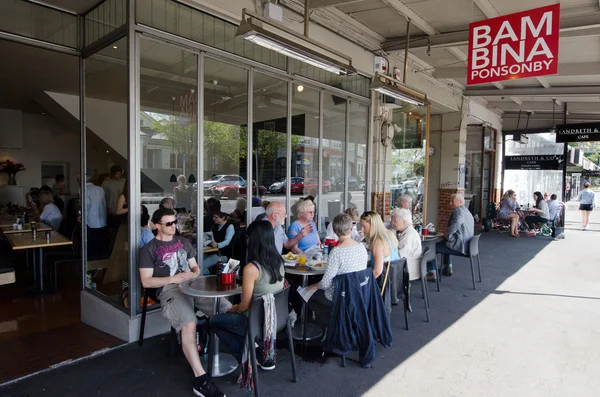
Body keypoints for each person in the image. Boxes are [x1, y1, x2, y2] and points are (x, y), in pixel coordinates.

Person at [139, 207, 227, 397]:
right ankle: (200, 379)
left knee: (227, 308)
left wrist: (192, 274)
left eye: (175, 222)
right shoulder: (149, 249)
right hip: (170, 289)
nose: (174, 226)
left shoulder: (184, 242)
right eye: (169, 223)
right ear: (157, 226)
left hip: (192, 285)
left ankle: (252, 352)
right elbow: (146, 281)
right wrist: (173, 279)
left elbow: (195, 267)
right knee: (189, 324)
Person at [209, 221, 285, 369]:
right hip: (276, 320)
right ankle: (257, 351)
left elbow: (244, 305)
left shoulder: (251, 268)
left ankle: (246, 356)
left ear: (252, 239)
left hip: (254, 322)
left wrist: (235, 309)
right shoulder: (279, 261)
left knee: (213, 322)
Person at [307, 213, 369, 326]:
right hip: (358, 292)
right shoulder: (362, 247)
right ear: (351, 229)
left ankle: (329, 328)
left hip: (340, 295)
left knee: (309, 295)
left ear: (335, 231)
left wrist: (314, 286)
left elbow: (325, 284)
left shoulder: (337, 252)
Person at [427, 194, 474, 280]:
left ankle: (431, 272)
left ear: (460, 202)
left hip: (460, 245)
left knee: (432, 248)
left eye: (452, 201)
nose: (450, 203)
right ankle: (447, 267)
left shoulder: (458, 211)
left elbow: (455, 224)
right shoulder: (467, 211)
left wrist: (448, 236)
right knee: (444, 243)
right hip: (469, 245)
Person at [359, 211, 399, 278]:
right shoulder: (389, 234)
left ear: (373, 225)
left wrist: (365, 284)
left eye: (364, 226)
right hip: (394, 279)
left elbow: (377, 271)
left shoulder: (378, 242)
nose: (362, 229)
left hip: (383, 282)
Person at [80, 175, 107, 258]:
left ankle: (92, 262)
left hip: (91, 220)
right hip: (102, 219)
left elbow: (86, 205)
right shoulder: (100, 189)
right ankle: (100, 262)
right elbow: (104, 203)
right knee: (100, 243)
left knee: (91, 244)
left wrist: (81, 215)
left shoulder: (83, 189)